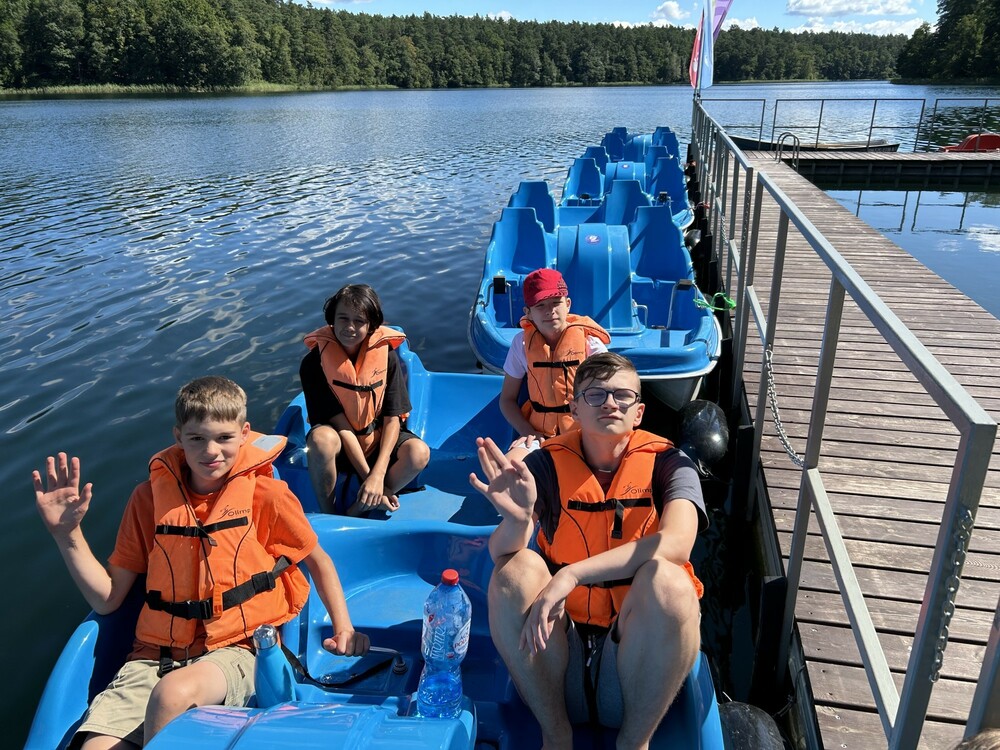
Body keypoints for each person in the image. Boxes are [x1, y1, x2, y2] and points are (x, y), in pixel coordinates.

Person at [33, 376, 369, 749]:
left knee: (173, 694)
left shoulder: (266, 495)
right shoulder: (147, 500)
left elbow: (319, 562)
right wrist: (67, 534)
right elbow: (109, 599)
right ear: (178, 437)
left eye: (224, 437)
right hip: (152, 658)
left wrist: (344, 628)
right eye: (196, 438)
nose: (211, 451)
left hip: (238, 650)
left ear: (244, 434)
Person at [470, 352, 707, 750]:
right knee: (514, 569)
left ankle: (634, 743)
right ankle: (556, 737)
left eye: (622, 396)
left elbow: (677, 543)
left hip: (632, 668)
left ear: (639, 412)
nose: (610, 403)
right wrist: (517, 520)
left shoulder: (671, 464)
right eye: (595, 395)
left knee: (671, 581)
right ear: (575, 409)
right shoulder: (545, 465)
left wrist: (572, 574)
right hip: (555, 667)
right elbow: (500, 552)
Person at [299, 283, 430, 515]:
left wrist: (378, 474)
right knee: (320, 440)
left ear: (371, 326)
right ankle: (329, 513)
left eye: (359, 321)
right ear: (332, 319)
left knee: (419, 452)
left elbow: (392, 418)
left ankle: (362, 504)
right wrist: (368, 475)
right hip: (341, 443)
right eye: (343, 318)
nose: (350, 327)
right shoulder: (313, 364)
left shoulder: (386, 357)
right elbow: (341, 425)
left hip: (378, 439)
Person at [499, 268, 610, 457]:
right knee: (510, 466)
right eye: (540, 305)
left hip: (584, 433)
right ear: (528, 313)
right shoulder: (521, 344)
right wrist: (527, 431)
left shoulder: (590, 344)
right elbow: (507, 400)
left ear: (568, 304)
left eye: (556, 303)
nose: (550, 311)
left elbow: (609, 397)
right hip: (538, 435)